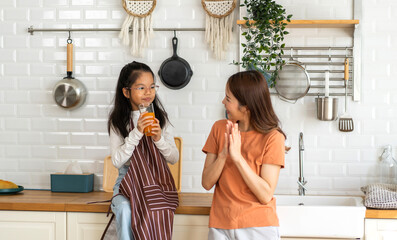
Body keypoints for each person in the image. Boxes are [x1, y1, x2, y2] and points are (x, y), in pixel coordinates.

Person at [201, 70, 286, 240]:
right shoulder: (220, 129)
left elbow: (265, 195)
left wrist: (238, 158)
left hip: (258, 227)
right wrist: (224, 154)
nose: (223, 101)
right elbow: (206, 182)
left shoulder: (273, 138)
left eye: (228, 98)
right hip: (220, 225)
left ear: (246, 106)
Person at [107, 61, 179, 240]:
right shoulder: (118, 121)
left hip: (156, 182)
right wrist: (137, 132)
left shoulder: (160, 118)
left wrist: (158, 139)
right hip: (127, 184)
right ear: (126, 92)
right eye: (141, 87)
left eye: (152, 87)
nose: (148, 92)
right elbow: (117, 161)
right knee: (124, 208)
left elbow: (173, 158)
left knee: (158, 209)